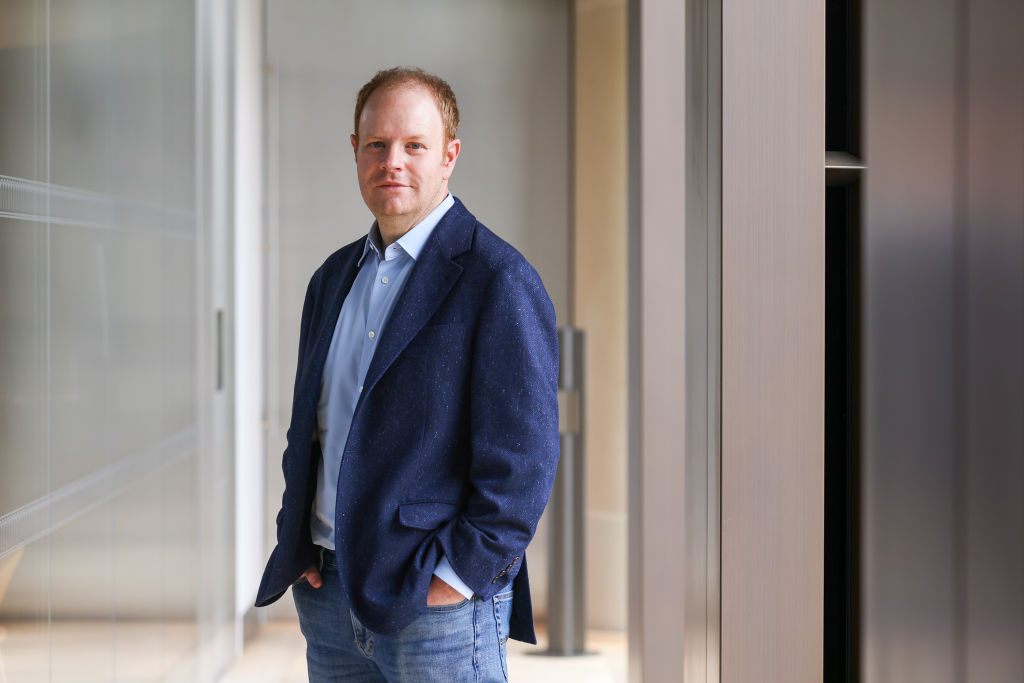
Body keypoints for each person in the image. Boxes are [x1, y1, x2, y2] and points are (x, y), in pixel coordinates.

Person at [255, 66, 560, 682]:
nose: (392, 161)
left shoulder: (496, 279)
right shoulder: (332, 279)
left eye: (414, 145)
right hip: (329, 593)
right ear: (355, 151)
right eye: (377, 144)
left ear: (449, 156)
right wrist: (298, 539)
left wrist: (456, 576)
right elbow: (309, 430)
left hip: (435, 609)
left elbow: (524, 459)